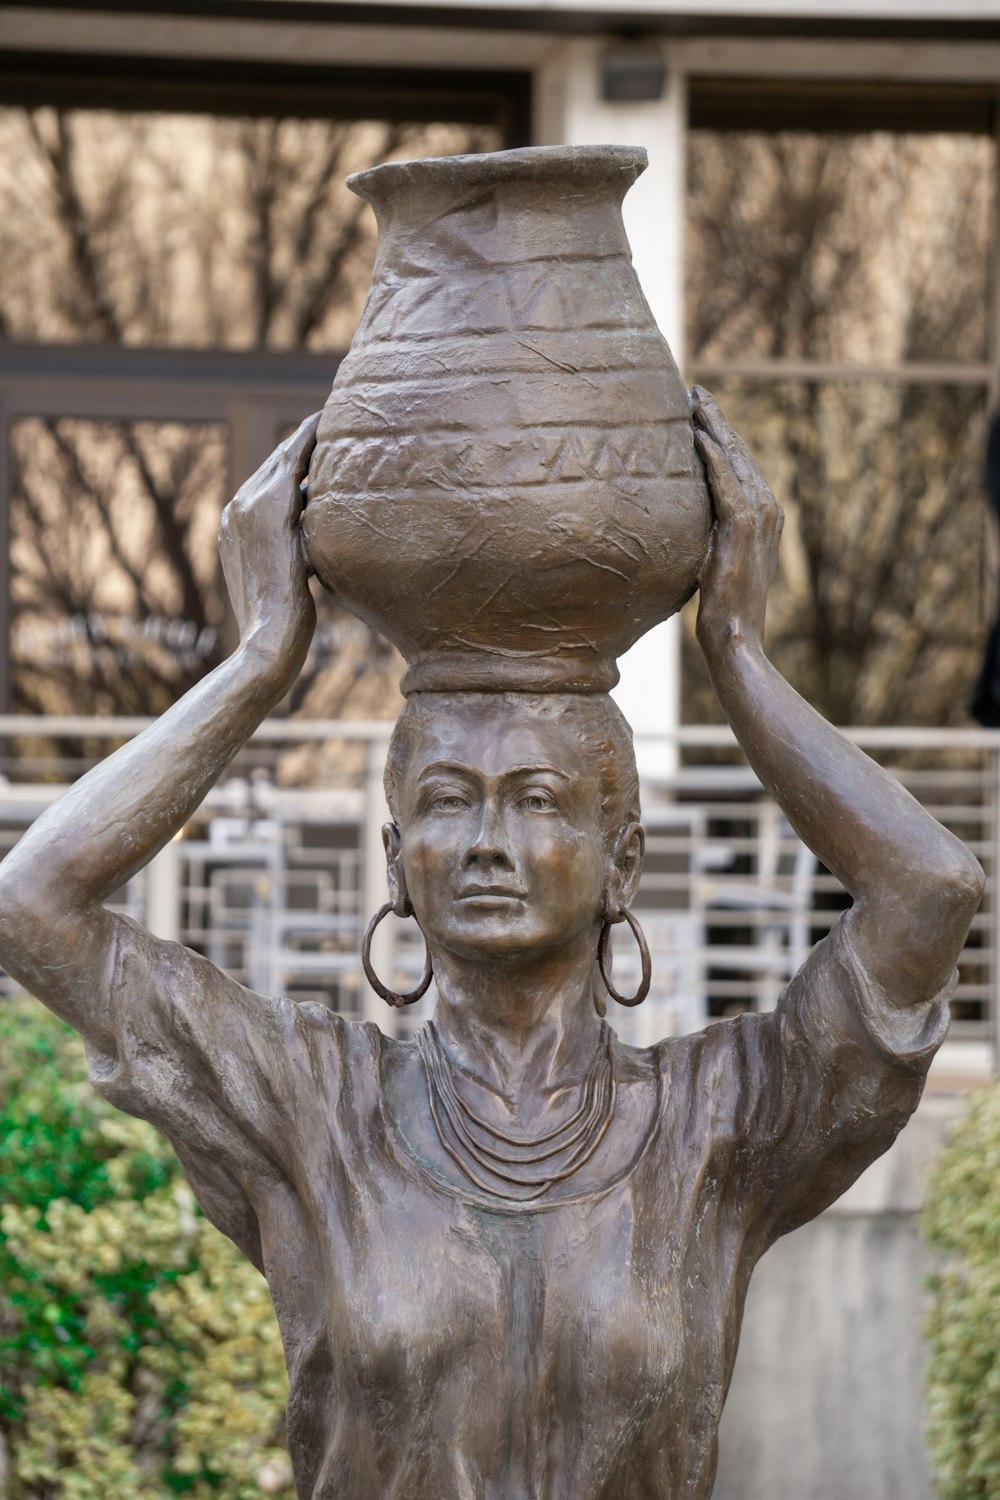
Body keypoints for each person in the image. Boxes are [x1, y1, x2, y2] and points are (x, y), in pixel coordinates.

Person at [0, 388, 983, 1500]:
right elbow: (35, 902)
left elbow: (929, 886)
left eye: (536, 800)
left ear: (622, 862)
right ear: (396, 857)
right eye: (449, 801)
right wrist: (262, 657)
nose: (485, 842)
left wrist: (738, 655)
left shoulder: (721, 1117)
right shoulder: (309, 1103)